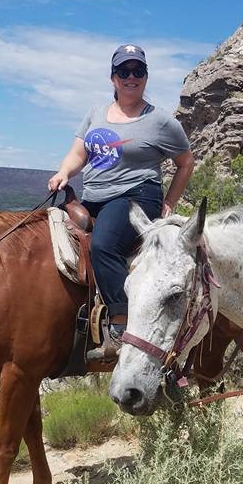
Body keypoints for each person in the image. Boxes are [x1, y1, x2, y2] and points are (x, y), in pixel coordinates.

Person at [48, 44, 195, 361]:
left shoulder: (160, 121)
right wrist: (64, 172)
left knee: (104, 246)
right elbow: (78, 154)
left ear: (145, 76)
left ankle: (120, 326)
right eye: (124, 71)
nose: (131, 77)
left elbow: (186, 163)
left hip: (135, 196)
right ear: (113, 77)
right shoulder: (96, 114)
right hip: (93, 196)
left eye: (137, 71)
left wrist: (169, 202)